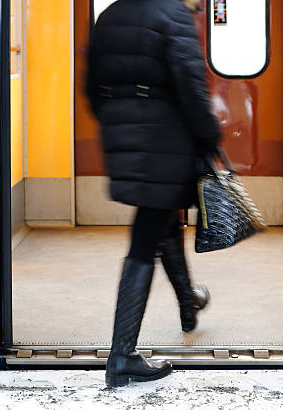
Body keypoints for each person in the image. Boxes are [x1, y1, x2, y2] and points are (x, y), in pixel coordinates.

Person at [86, 0, 220, 387]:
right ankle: (122, 357)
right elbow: (191, 82)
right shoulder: (171, 14)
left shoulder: (109, 15)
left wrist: (121, 122)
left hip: (123, 134)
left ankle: (187, 302)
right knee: (146, 236)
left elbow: (91, 88)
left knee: (159, 216)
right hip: (165, 137)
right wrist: (209, 135)